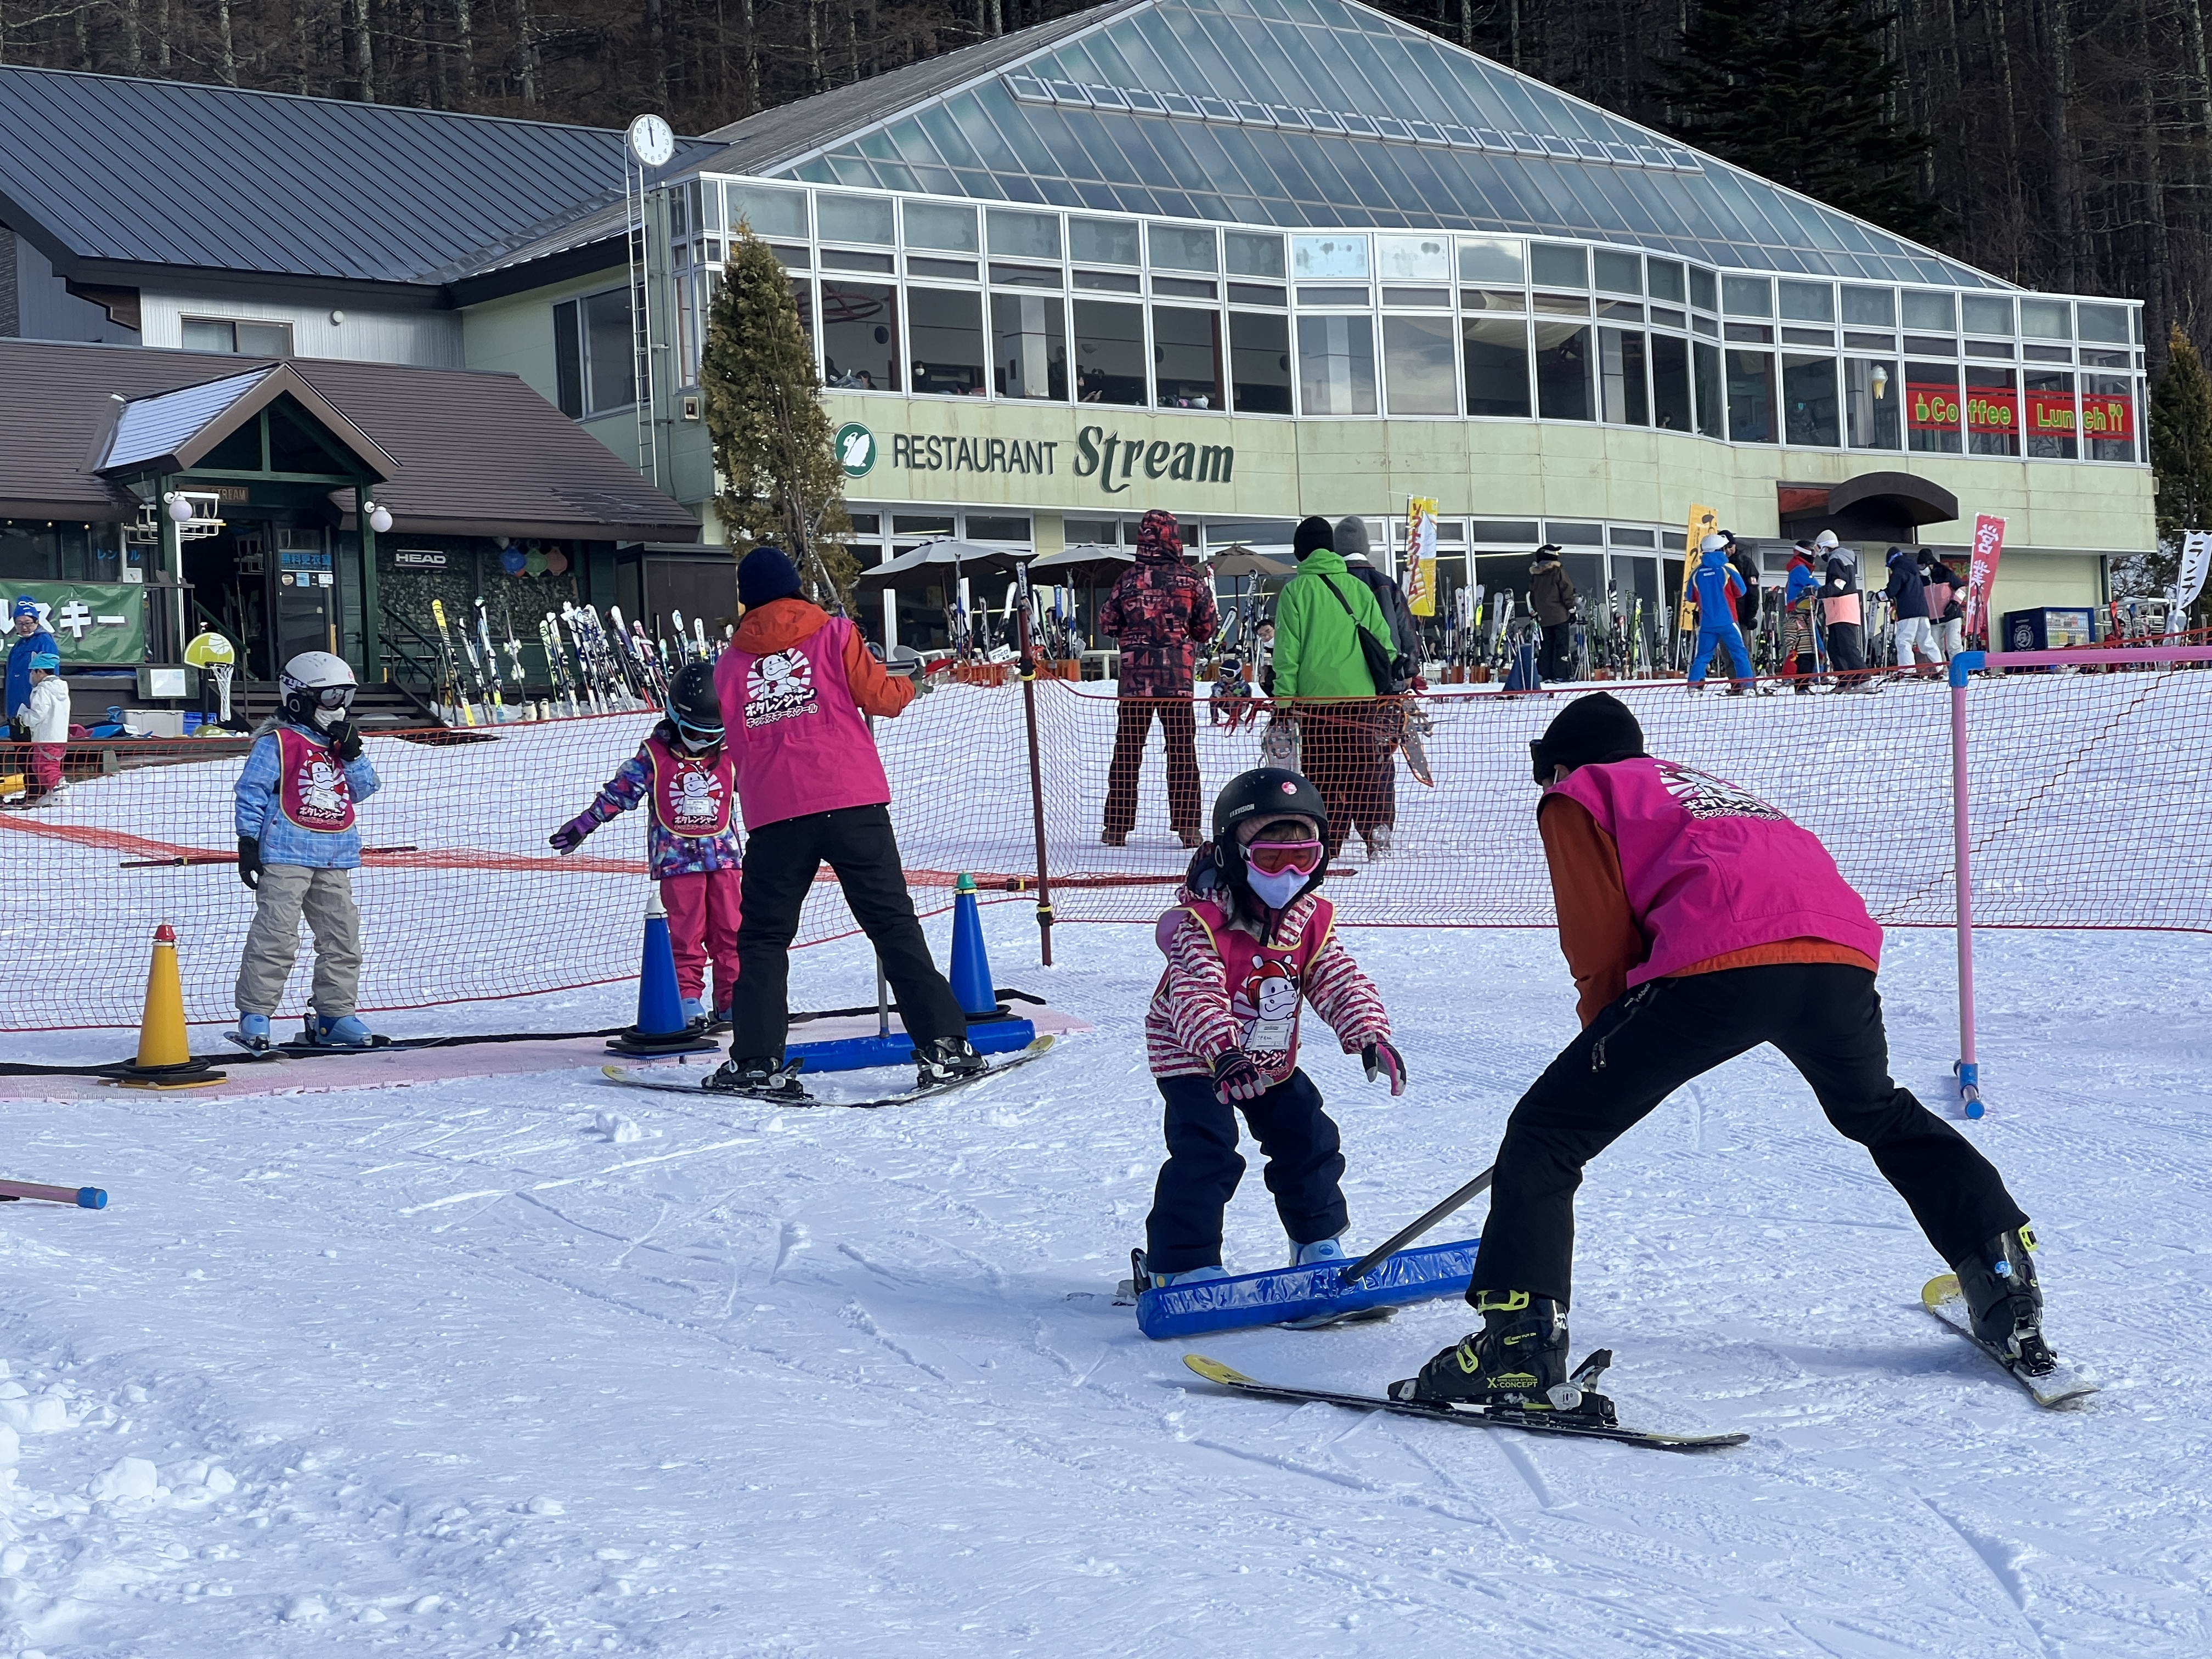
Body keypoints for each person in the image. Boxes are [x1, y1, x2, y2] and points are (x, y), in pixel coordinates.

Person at [1396, 693, 2050, 1407]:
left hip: (1724, 961)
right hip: (1839, 957)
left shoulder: (1578, 791)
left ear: (1558, 764)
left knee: (1549, 1132)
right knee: (1876, 1111)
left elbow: (1598, 939)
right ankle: (2002, 1282)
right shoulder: (1711, 793)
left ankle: (1515, 1352)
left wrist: (1604, 1046)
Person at [708, 545, 981, 1097]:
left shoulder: (729, 665)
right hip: (850, 799)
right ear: (795, 586)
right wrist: (912, 683)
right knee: (891, 924)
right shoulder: (832, 634)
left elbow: (736, 734)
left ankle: (757, 1058)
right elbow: (881, 697)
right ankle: (944, 1045)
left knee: (762, 937)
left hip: (775, 812)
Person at [1141, 769, 1407, 1287]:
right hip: (1198, 1060)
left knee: (1308, 1137)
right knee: (1207, 1151)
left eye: (1302, 858)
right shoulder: (1203, 926)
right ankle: (1182, 1264)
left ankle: (1318, 1246)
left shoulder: (1307, 921)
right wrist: (1223, 1052)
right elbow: (1195, 993)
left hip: (1266, 1058)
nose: (1287, 873)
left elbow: (1336, 977)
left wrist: (1370, 1033)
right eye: (1269, 858)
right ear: (1232, 858)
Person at [551, 660, 741, 1030]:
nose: (706, 744)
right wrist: (587, 822)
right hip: (677, 861)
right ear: (674, 719)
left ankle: (733, 996)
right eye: (696, 735)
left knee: (732, 928)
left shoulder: (730, 754)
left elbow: (761, 784)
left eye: (714, 736)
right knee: (686, 933)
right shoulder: (654, 756)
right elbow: (623, 791)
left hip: (725, 859)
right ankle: (686, 997)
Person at [232, 652, 382, 1050]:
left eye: (346, 697)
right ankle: (256, 1014)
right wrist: (249, 842)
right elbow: (252, 791)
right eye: (332, 697)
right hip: (286, 853)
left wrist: (353, 755)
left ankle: (335, 1015)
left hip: (334, 855)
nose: (341, 707)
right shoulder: (279, 742)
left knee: (343, 939)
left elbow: (364, 789)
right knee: (277, 937)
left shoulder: (339, 743)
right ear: (299, 698)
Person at [1271, 517, 1395, 859]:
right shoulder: (1358, 588)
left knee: (1324, 774)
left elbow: (1287, 654)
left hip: (1316, 704)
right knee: (1367, 770)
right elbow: (1385, 645)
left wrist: (1283, 703)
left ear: (1300, 551)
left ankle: (1329, 839)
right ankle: (1377, 829)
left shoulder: (1296, 591)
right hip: (1363, 701)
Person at [1098, 509, 1217, 849]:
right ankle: (1188, 827)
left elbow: (1107, 623)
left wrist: (1133, 633)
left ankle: (1116, 828)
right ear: (1174, 538)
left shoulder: (1127, 580)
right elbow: (1207, 628)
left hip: (1135, 682)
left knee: (1128, 750)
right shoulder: (1190, 580)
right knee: (1181, 751)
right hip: (1177, 681)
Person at [1335, 515, 1423, 855]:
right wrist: (1407, 673)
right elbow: (1405, 633)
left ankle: (1335, 831)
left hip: (1333, 691)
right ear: (1365, 548)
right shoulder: (1385, 584)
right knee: (1377, 760)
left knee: (1334, 759)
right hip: (1382, 691)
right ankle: (1377, 827)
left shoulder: (1326, 582)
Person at [1685, 533, 1753, 692]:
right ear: (1720, 549)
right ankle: (1748, 687)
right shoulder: (1728, 568)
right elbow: (1741, 591)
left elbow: (1690, 597)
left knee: (1702, 657)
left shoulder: (1696, 572)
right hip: (1728, 620)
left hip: (1707, 622)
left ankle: (1693, 687)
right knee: (1740, 654)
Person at [17, 651, 68, 804]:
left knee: (46, 766)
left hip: (45, 736)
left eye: (33, 671)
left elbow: (38, 714)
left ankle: (60, 794)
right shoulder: (61, 688)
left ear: (40, 671)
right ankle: (51, 792)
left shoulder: (42, 690)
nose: (31, 675)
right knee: (42, 764)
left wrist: (23, 717)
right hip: (59, 736)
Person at [1816, 531, 1867, 677]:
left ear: (1825, 547)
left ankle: (1862, 677)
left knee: (1846, 647)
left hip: (1842, 610)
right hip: (1840, 610)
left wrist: (1818, 592)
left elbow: (1839, 583)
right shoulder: (1843, 558)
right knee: (1835, 647)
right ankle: (1846, 679)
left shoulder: (1836, 559)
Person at [1886, 547, 1943, 677]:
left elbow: (1891, 591)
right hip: (1923, 611)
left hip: (1907, 612)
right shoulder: (1914, 571)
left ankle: (1907, 670)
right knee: (1926, 641)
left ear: (1891, 561)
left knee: (1904, 641)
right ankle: (1940, 667)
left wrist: (1878, 596)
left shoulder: (1899, 570)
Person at [7, 596, 57, 741]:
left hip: (33, 712)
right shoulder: (18, 645)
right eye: (19, 623)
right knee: (21, 756)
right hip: (16, 711)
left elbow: (50, 676)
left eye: (28, 623)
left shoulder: (44, 642)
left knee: (33, 758)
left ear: (37, 622)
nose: (24, 627)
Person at [1528, 544, 1576, 682]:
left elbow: (1532, 596)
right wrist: (1571, 609)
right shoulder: (1557, 571)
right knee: (1561, 645)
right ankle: (1561, 674)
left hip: (1544, 617)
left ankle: (1544, 674)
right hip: (1560, 615)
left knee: (1547, 646)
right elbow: (1566, 590)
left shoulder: (1535, 575)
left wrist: (1537, 612)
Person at [1783, 540, 1822, 690]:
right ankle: (1810, 678)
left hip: (1801, 613)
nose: (1814, 555)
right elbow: (1815, 586)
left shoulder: (1798, 568)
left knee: (1804, 647)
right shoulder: (1800, 569)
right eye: (1811, 551)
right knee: (1808, 648)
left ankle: (1806, 677)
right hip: (1801, 614)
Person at [1919, 548, 1965, 658]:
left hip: (1952, 616)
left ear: (1930, 565)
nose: (1920, 569)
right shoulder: (1921, 580)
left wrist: (1955, 603)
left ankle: (1959, 671)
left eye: (1922, 566)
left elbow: (1962, 588)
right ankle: (1942, 671)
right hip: (1934, 620)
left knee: (1954, 645)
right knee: (1935, 648)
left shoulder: (1945, 573)